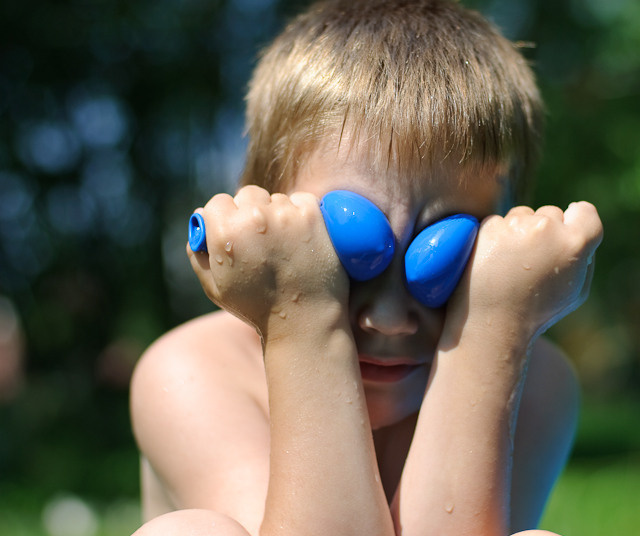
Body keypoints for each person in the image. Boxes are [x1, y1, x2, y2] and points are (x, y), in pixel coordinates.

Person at [130, 1, 603, 535]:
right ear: (261, 225)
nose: (390, 318)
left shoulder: (537, 377)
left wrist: (491, 331)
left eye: (452, 255)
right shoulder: (192, 370)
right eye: (343, 255)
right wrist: (301, 318)